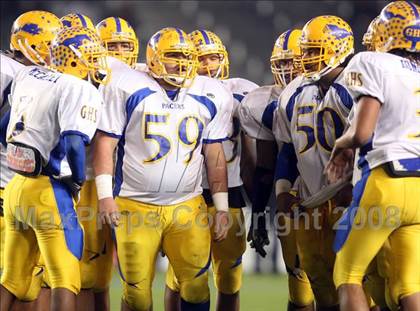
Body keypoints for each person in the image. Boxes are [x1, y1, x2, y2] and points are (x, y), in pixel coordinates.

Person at [92, 27, 233, 311]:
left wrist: (222, 207)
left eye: (185, 55)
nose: (181, 63)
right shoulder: (127, 85)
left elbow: (214, 154)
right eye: (172, 56)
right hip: (135, 203)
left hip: (187, 205)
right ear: (154, 58)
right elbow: (105, 143)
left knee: (195, 286)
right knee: (137, 295)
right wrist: (105, 196)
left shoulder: (211, 92)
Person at [0, 26, 108, 311]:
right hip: (50, 191)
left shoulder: (30, 74)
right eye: (92, 56)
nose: (97, 63)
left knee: (11, 279)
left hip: (15, 188)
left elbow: (3, 130)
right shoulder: (79, 87)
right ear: (76, 58)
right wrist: (77, 181)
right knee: (66, 278)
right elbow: (73, 142)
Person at [326, 1, 420, 310]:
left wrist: (342, 144)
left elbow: (363, 132)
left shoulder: (373, 62)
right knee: (409, 285)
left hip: (386, 180)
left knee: (347, 273)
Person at [273, 15, 355, 310]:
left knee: (358, 281)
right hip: (309, 201)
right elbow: (287, 150)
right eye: (305, 51)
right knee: (319, 282)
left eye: (312, 50)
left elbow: (371, 143)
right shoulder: (293, 93)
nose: (305, 58)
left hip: (350, 199)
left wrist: (356, 186)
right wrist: (282, 190)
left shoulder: (356, 86)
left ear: (339, 47)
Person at [238, 28, 315, 311]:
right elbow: (266, 166)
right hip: (293, 198)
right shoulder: (263, 103)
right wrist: (258, 214)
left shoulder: (334, 91)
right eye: (280, 62)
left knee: (349, 282)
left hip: (334, 195)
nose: (285, 69)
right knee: (301, 291)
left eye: (291, 61)